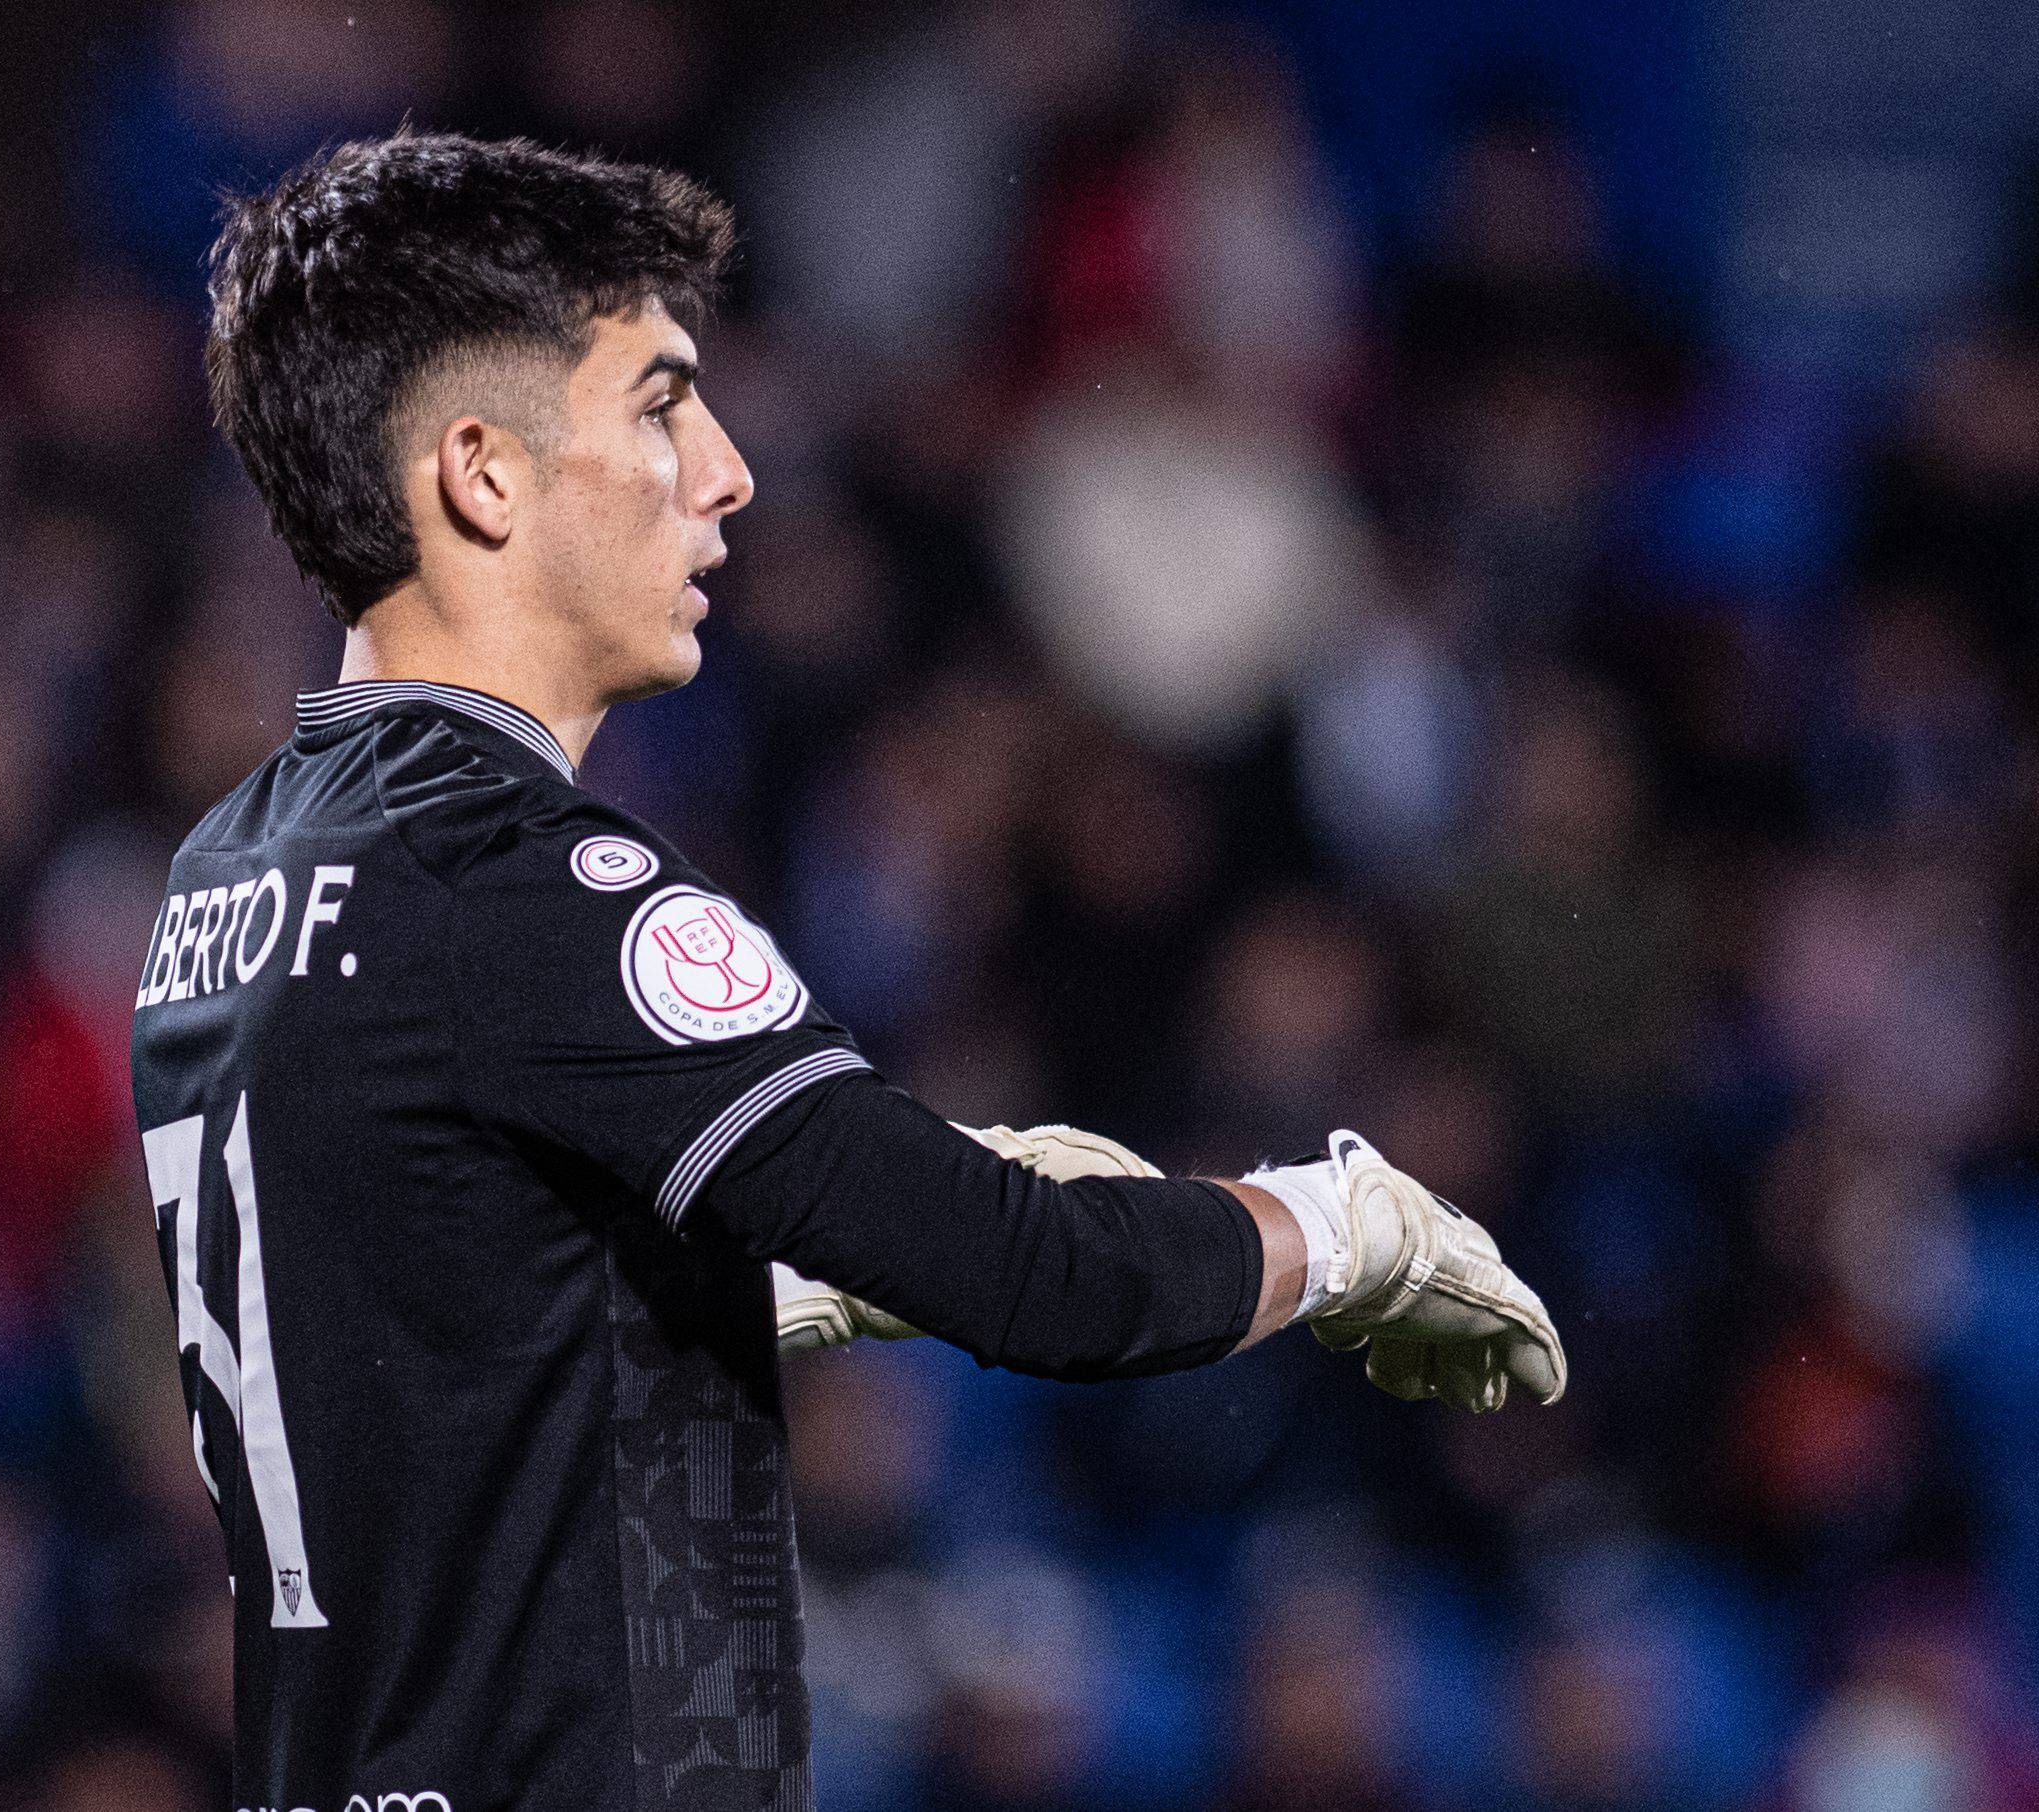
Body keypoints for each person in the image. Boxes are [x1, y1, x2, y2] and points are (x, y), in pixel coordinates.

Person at [130, 130, 1565, 1812]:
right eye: (660, 403)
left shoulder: (228, 871)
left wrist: (746, 1282)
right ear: (484, 475)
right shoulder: (532, 893)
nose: (727, 470)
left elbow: (431, 1307)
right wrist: (1347, 1227)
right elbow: (1044, 1280)